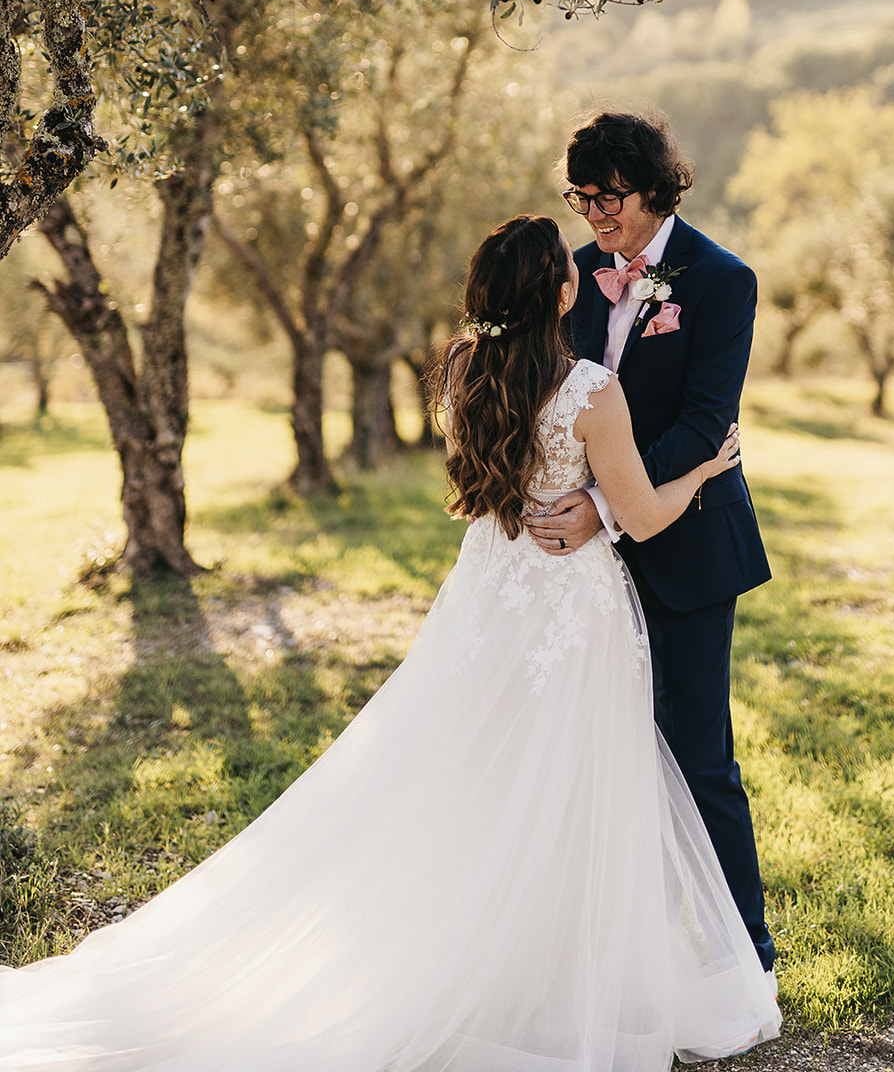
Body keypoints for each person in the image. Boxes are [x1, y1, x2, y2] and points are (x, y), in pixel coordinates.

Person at [0, 214, 780, 1071]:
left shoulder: (461, 371)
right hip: (568, 611)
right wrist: (704, 467)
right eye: (571, 265)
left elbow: (495, 484)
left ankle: (486, 962)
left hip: (487, 602)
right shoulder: (592, 391)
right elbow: (637, 515)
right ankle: (549, 977)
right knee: (571, 783)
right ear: (562, 294)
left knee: (477, 780)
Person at [525, 112, 777, 978]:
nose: (594, 214)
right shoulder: (578, 273)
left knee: (698, 753)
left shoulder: (719, 279)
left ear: (656, 188)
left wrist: (602, 501)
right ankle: (618, 956)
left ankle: (744, 955)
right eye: (579, 197)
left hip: (692, 547)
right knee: (598, 754)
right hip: (582, 574)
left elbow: (708, 423)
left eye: (609, 197)